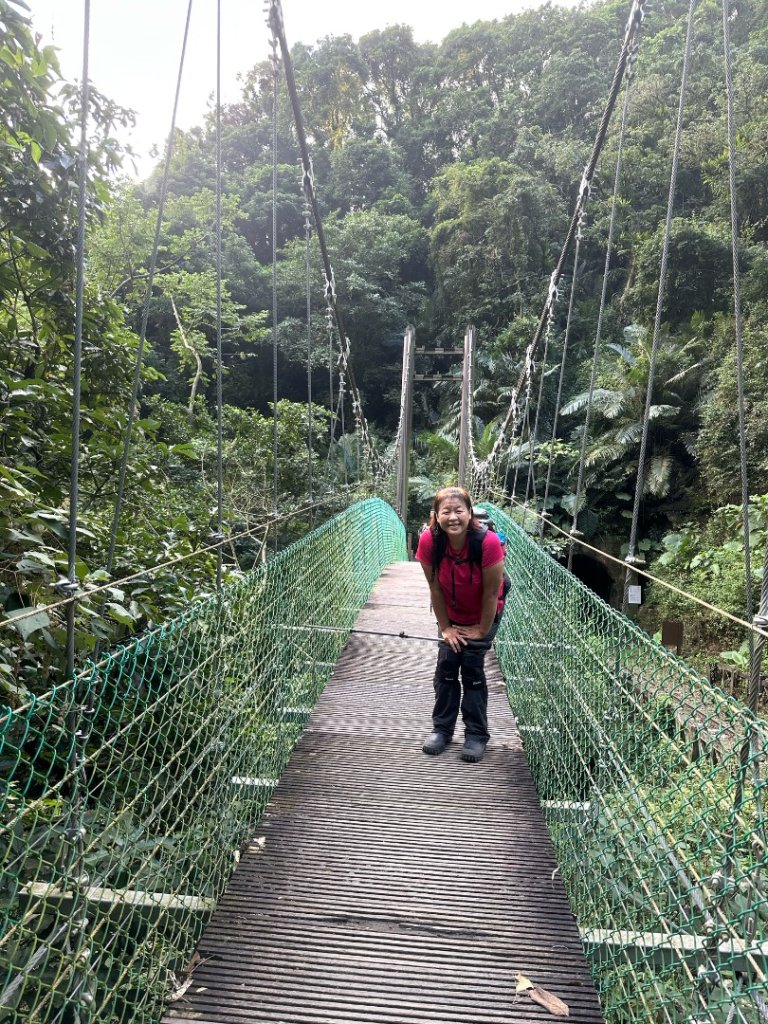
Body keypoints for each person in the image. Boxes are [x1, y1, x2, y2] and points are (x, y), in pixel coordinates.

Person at [415, 487, 506, 763]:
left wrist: (480, 629)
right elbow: (434, 588)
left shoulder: (487, 543)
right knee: (446, 666)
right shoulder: (430, 541)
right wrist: (446, 628)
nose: (453, 517)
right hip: (451, 613)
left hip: (484, 613)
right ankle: (442, 730)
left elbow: (491, 593)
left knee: (471, 667)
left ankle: (476, 735)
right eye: (446, 512)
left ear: (469, 513)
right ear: (436, 515)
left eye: (459, 511)